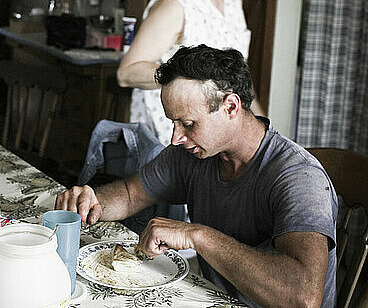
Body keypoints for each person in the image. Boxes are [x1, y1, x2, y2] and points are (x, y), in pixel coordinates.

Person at [57, 45, 337, 308]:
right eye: (173, 123)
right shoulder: (194, 152)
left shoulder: (299, 177)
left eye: (188, 124)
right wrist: (91, 200)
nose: (176, 137)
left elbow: (303, 298)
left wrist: (199, 236)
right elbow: (131, 195)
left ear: (230, 107)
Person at [117, 0, 265, 146]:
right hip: (171, 137)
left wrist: (263, 129)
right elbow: (127, 73)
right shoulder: (176, 4)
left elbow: (239, 77)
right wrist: (189, 75)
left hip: (214, 137)